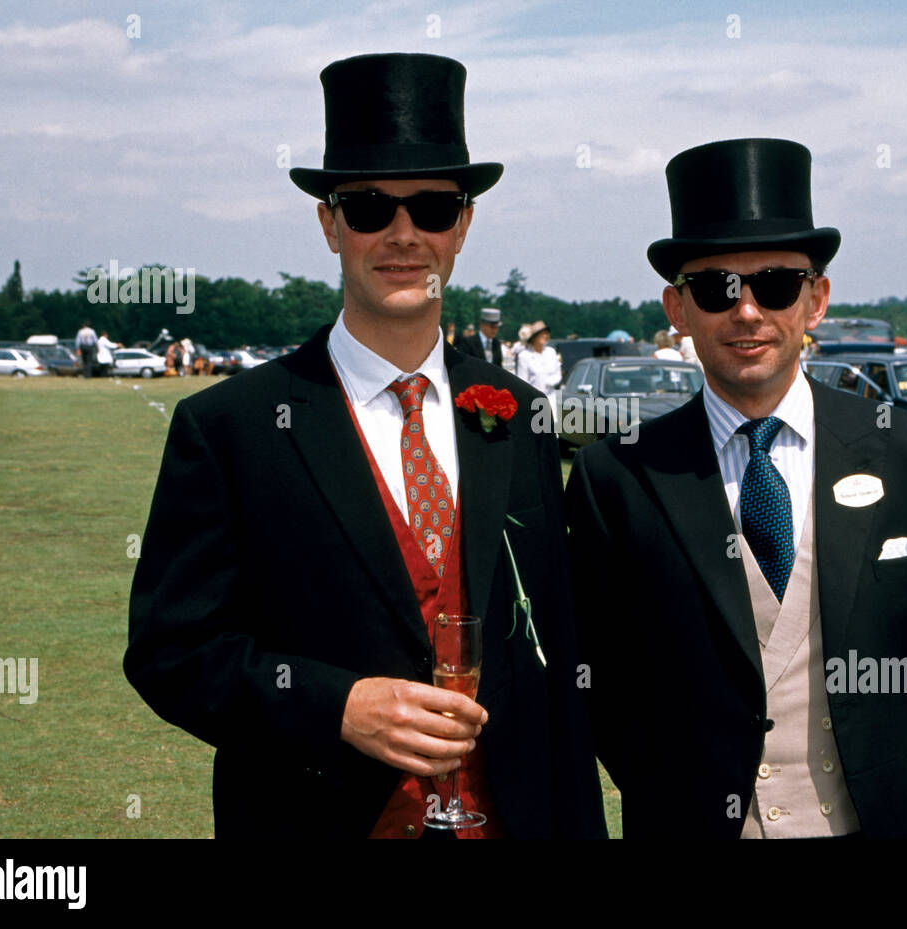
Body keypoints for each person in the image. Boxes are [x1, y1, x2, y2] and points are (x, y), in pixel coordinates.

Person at [124, 52, 604, 840]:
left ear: (464, 226)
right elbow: (172, 651)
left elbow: (555, 661)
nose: (404, 234)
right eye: (372, 206)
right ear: (330, 222)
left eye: (435, 207)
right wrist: (335, 706)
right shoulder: (233, 427)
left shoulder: (519, 415)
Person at [566, 138, 907, 839]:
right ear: (678, 308)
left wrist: (882, 769)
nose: (748, 311)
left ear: (816, 299)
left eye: (777, 284)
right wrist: (682, 787)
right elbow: (599, 681)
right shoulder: (618, 477)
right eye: (715, 287)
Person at [514, 321, 561, 394]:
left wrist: (548, 382)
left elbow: (558, 374)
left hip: (551, 398)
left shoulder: (551, 352)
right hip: (532, 399)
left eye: (547, 333)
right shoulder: (524, 356)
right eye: (542, 334)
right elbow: (522, 381)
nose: (545, 336)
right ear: (534, 337)